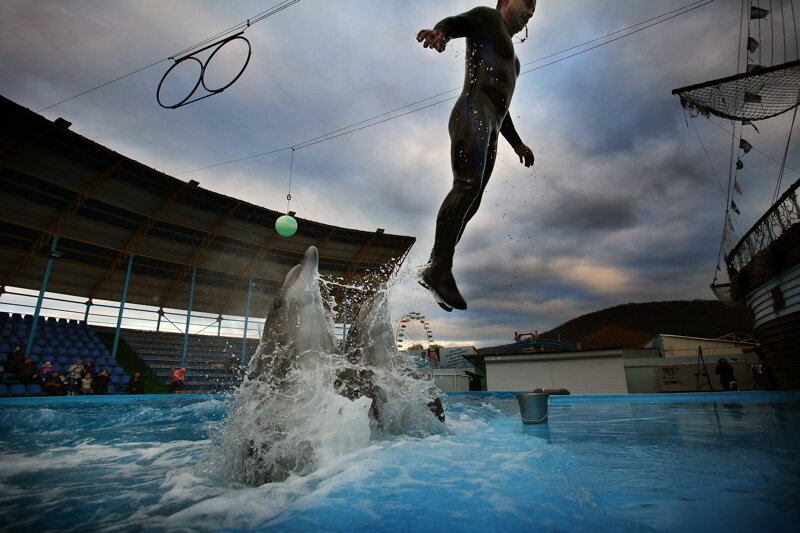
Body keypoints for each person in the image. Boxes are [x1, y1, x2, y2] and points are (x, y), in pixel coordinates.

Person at [417, 0, 536, 311]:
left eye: (534, 9)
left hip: (492, 125)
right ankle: (439, 269)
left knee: (475, 197)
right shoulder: (487, 17)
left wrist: (517, 144)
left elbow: (503, 110)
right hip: (472, 111)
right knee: (468, 184)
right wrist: (440, 33)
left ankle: (436, 265)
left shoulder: (515, 63)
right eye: (527, 3)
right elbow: (456, 22)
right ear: (506, 2)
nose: (530, 12)